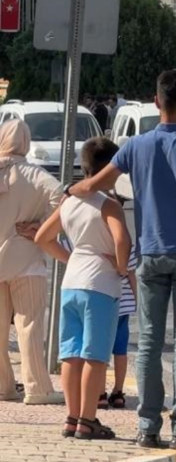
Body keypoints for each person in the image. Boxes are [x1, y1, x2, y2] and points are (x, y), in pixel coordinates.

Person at [68, 69, 176, 450]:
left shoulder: (136, 147)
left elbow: (97, 184)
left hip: (151, 252)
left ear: (157, 102)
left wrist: (73, 189)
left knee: (150, 340)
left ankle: (147, 427)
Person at [35, 137, 130, 439]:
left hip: (71, 283)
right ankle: (89, 420)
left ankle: (71, 417)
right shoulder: (109, 205)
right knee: (95, 356)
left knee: (71, 354)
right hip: (100, 286)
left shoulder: (70, 202)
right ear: (109, 171)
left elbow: (43, 237)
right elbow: (122, 240)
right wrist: (121, 266)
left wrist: (72, 256)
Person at [0, 120, 65, 406]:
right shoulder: (36, 175)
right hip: (26, 259)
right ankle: (37, 388)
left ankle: (3, 387)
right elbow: (65, 200)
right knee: (29, 326)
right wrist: (41, 228)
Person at [98, 239, 137, 410]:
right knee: (120, 350)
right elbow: (132, 275)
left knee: (99, 350)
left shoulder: (94, 242)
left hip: (101, 300)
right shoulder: (127, 244)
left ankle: (99, 393)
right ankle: (118, 391)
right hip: (124, 303)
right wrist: (139, 301)